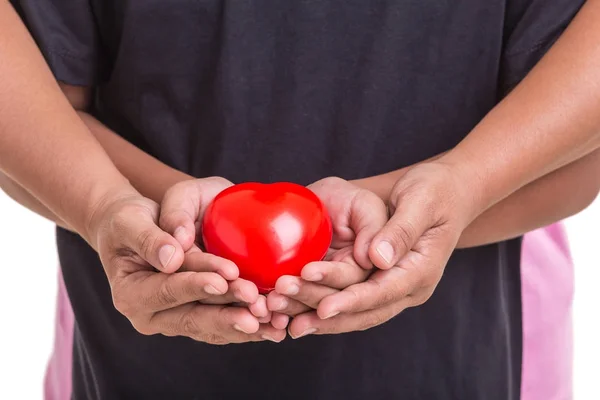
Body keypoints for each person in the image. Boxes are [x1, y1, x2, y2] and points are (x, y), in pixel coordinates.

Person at [1, 1, 599, 399]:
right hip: (131, 353)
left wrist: (462, 187)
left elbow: (580, 162)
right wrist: (106, 207)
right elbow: (36, 109)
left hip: (469, 345)